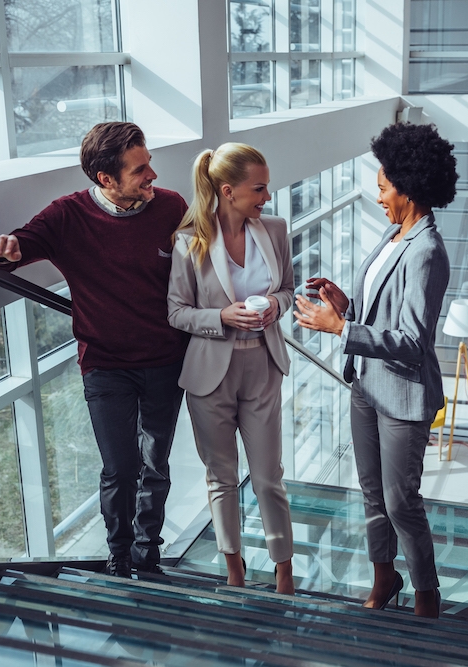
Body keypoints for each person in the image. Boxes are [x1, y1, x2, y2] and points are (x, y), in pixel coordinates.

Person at [0, 122, 188, 578]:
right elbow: (18, 246)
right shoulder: (67, 216)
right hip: (105, 366)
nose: (152, 174)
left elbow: (202, 265)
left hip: (166, 360)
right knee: (120, 467)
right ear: (105, 179)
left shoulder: (171, 206)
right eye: (140, 170)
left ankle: (147, 553)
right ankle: (118, 555)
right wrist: (2, 249)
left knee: (156, 463)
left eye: (149, 163)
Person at [295, 122, 457, 618]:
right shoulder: (394, 233)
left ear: (408, 189)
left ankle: (426, 594)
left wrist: (339, 327)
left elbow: (411, 343)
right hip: (366, 385)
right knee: (371, 494)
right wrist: (345, 305)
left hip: (402, 394)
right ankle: (384, 575)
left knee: (401, 500)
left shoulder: (426, 251)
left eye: (384, 186)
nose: (379, 193)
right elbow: (382, 312)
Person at [167, 143, 296, 594]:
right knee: (221, 476)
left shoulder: (275, 230)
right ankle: (234, 569)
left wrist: (273, 309)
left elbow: (287, 291)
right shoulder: (190, 242)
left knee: (267, 477)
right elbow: (177, 312)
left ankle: (284, 571)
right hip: (209, 374)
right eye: (258, 188)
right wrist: (220, 317)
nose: (266, 195)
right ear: (228, 190)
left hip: (263, 364)